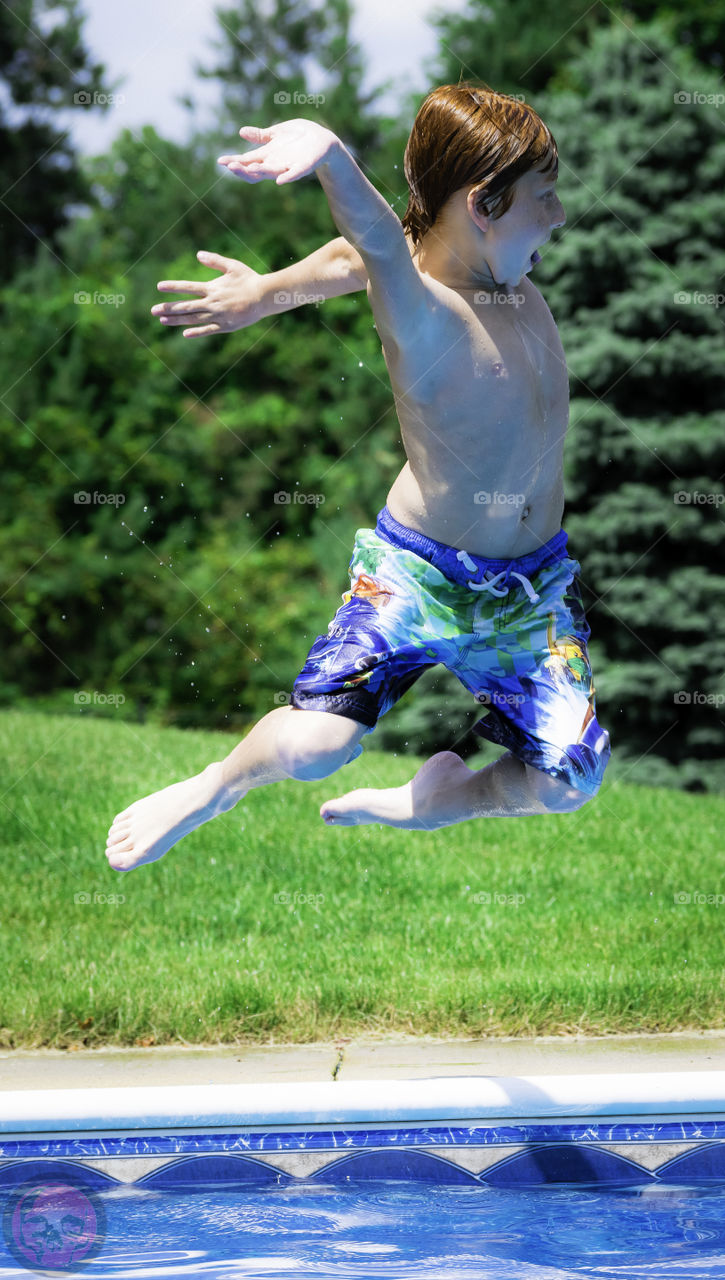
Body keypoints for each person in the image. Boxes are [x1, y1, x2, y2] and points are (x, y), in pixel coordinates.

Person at [106, 84, 611, 873]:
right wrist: (332, 157)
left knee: (571, 778)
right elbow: (373, 244)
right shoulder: (424, 313)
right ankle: (212, 787)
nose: (557, 217)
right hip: (417, 576)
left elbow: (374, 248)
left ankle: (443, 800)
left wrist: (268, 291)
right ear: (483, 203)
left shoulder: (500, 280)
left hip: (529, 592)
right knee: (316, 744)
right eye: (542, 199)